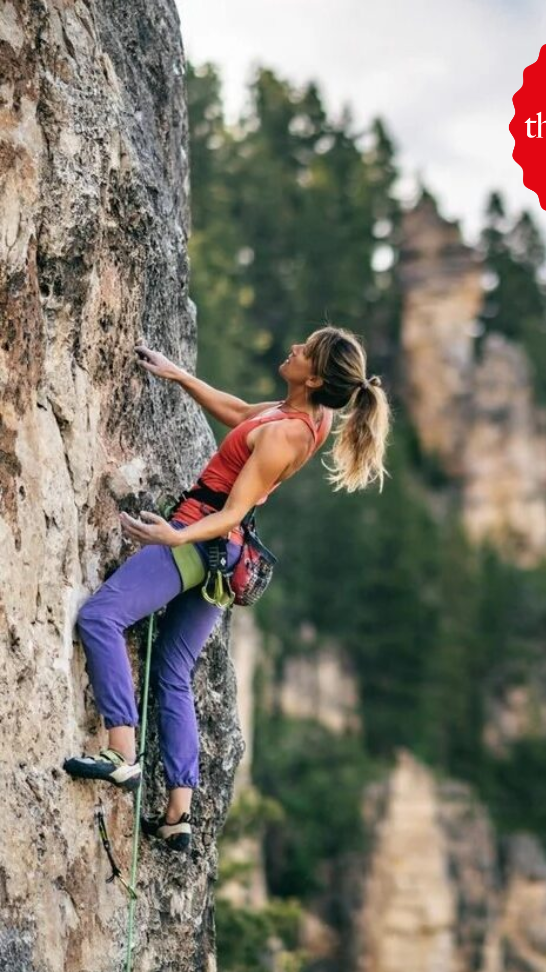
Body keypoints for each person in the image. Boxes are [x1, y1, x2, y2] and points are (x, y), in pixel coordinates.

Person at [63, 325, 392, 851]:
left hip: (202, 540)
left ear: (314, 377)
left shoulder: (287, 433)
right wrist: (179, 376)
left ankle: (121, 751)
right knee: (172, 671)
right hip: (226, 557)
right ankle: (178, 813)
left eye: (305, 350)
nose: (293, 348)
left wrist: (175, 535)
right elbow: (241, 413)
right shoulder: (312, 417)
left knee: (101, 617)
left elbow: (234, 510)